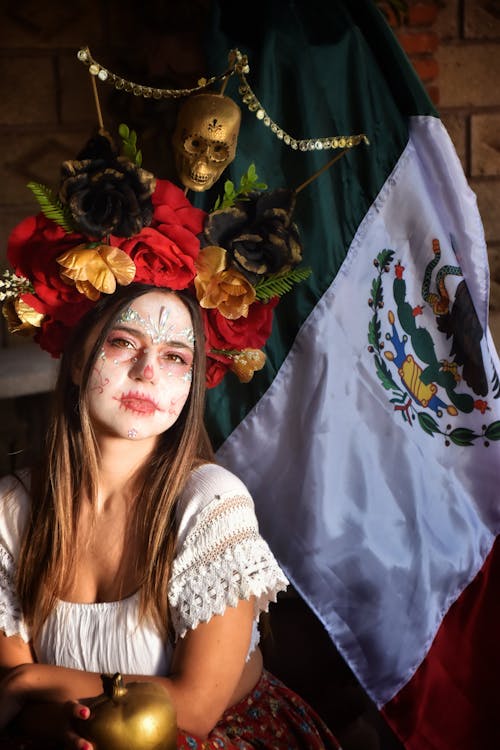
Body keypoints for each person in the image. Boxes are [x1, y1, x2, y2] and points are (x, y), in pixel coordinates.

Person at [0, 279, 341, 749]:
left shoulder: (211, 501)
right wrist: (36, 703)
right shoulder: (9, 510)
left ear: (192, 383)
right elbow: (15, 711)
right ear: (78, 360)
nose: (147, 372)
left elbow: (196, 708)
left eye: (175, 357)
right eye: (123, 343)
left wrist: (32, 680)